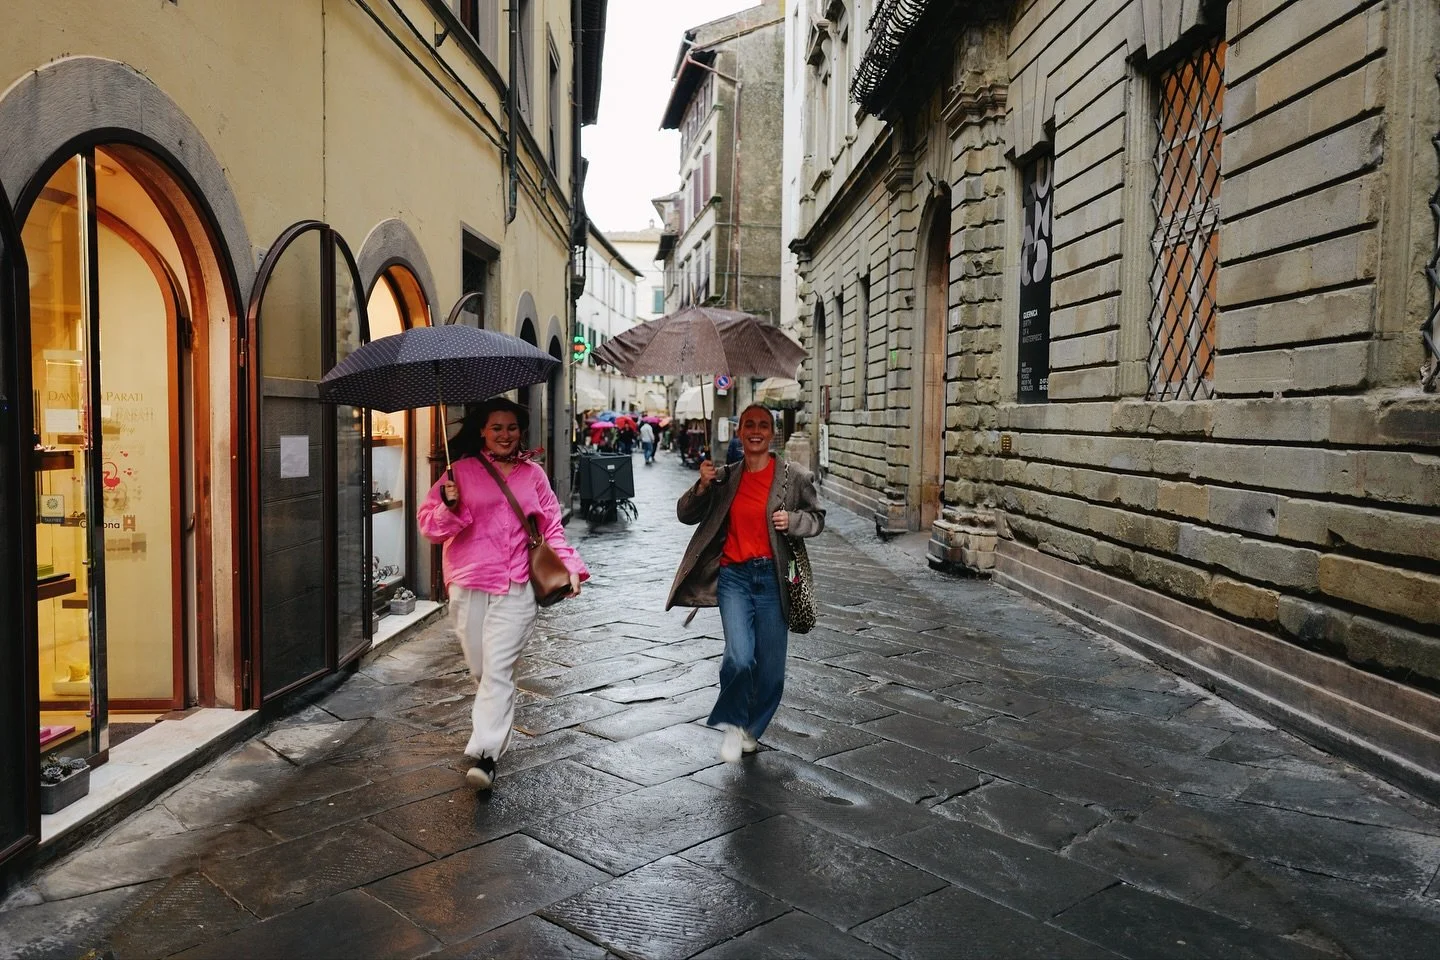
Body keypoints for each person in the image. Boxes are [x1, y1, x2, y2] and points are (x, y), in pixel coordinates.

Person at [418, 397, 588, 790]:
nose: (505, 435)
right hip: (468, 580)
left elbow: (552, 529)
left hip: (517, 585)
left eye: (511, 428)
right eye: (497, 428)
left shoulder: (534, 476)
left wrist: (571, 568)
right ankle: (491, 731)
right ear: (482, 431)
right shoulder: (457, 473)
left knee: (497, 669)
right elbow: (430, 528)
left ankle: (486, 754)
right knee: (481, 668)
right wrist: (448, 506)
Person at [667, 403, 825, 762]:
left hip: (773, 581)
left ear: (772, 433)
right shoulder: (724, 477)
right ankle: (734, 722)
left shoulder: (794, 476)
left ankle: (752, 730)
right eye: (749, 425)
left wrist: (794, 520)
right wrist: (702, 485)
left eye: (763, 425)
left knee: (771, 674)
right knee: (738, 658)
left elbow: (817, 519)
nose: (756, 431)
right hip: (734, 579)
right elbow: (684, 514)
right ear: (739, 432)